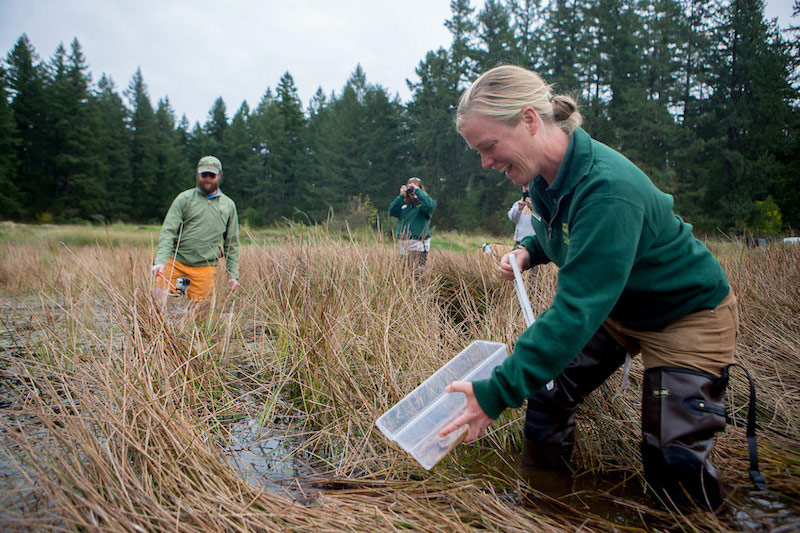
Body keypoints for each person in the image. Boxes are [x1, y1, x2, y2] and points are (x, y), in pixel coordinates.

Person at [439, 65, 741, 511]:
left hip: (686, 315)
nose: (485, 162)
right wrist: (528, 251)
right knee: (546, 395)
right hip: (617, 308)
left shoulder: (606, 188)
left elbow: (576, 310)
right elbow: (558, 233)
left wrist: (495, 391)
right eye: (477, 152)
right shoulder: (543, 178)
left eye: (488, 146)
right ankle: (545, 508)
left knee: (672, 457)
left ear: (528, 120)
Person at [151, 155, 240, 303]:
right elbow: (168, 232)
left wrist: (232, 275)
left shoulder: (228, 205)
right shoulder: (184, 199)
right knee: (157, 304)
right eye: (204, 175)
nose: (208, 179)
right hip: (175, 261)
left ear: (219, 176)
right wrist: (160, 261)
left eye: (212, 175)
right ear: (198, 175)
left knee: (200, 316)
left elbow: (232, 243)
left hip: (205, 267)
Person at [388, 177, 436, 276]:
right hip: (404, 242)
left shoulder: (424, 206)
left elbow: (430, 206)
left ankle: (419, 290)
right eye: (411, 188)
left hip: (418, 242)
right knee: (404, 272)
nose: (413, 191)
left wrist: (418, 193)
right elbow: (392, 211)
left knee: (416, 272)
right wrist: (401, 196)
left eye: (416, 188)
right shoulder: (404, 205)